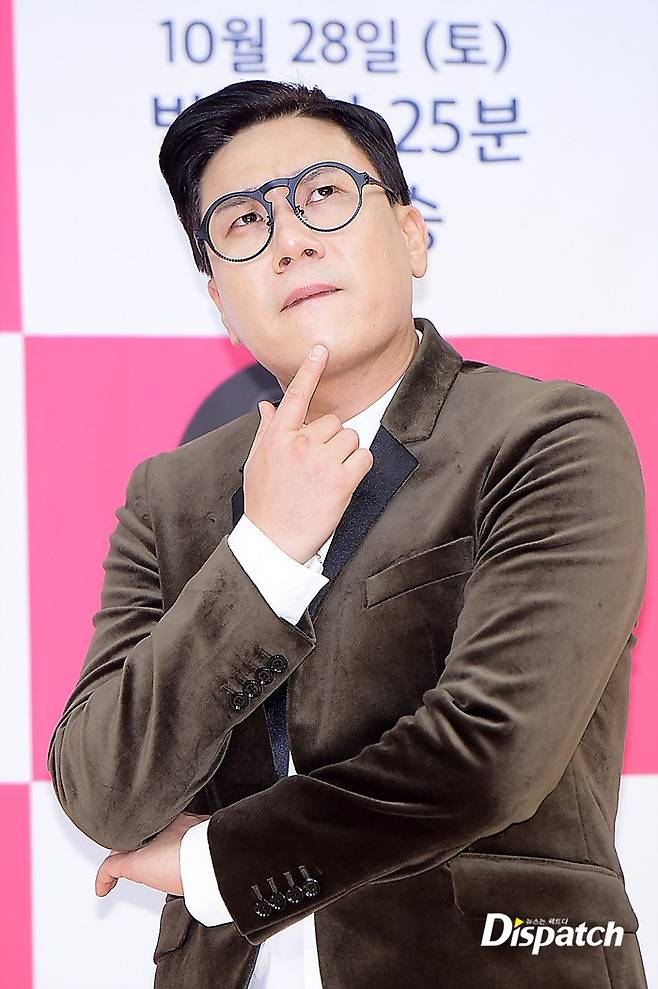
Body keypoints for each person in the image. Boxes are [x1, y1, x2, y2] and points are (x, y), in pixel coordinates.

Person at [47, 80, 648, 988]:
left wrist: (216, 865)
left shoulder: (547, 436)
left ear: (411, 235)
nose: (289, 239)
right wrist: (262, 556)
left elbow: (489, 755)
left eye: (324, 193)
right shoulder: (169, 495)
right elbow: (101, 787)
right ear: (218, 297)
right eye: (244, 221)